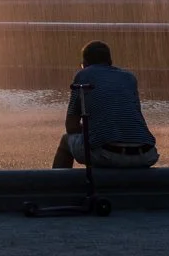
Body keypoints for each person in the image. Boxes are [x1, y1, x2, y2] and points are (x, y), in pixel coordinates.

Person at [52, 40, 158, 169]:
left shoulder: (83, 76)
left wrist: (93, 129)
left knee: (67, 140)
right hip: (146, 154)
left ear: (85, 63)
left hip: (108, 154)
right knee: (98, 141)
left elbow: (71, 126)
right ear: (110, 61)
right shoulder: (129, 78)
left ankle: (58, 187)